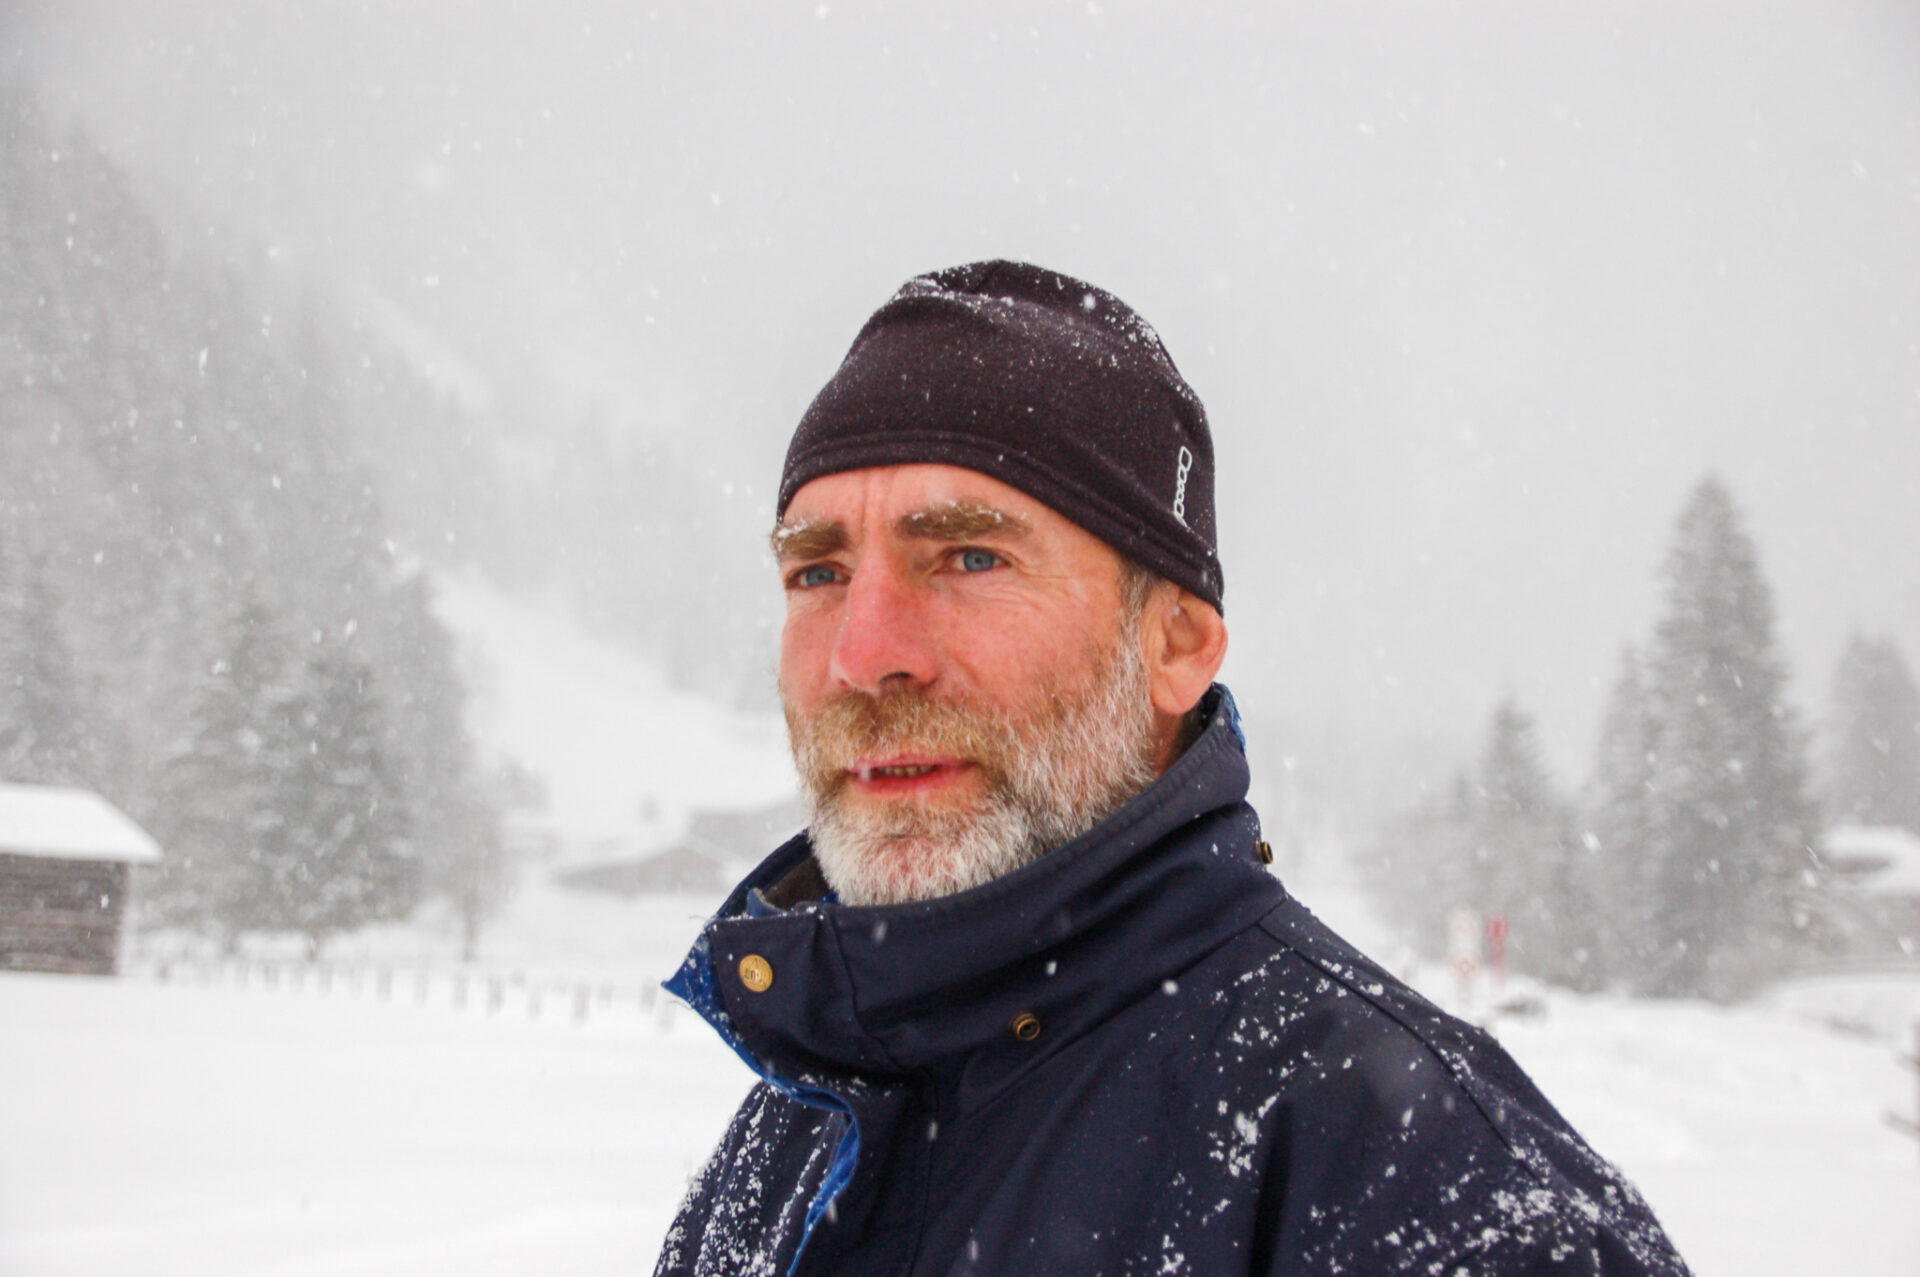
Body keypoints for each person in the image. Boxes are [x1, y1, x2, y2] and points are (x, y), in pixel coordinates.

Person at [654, 260, 1691, 1276]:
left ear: (1178, 644)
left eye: (971, 557)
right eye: (818, 571)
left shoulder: (1426, 1190)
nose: (863, 653)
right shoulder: (789, 1142)